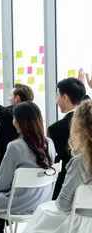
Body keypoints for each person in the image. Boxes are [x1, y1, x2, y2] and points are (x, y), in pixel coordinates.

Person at [0, 101, 57, 233]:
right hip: (40, 202)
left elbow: (2, 185)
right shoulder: (49, 143)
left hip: (16, 204)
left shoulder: (15, 146)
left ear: (17, 121)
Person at [24, 100, 92, 233]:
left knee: (40, 216)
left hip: (81, 224)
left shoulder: (81, 162)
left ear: (79, 128)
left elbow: (63, 205)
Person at [48, 71, 88, 200]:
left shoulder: (56, 129)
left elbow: (53, 162)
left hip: (66, 189)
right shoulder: (89, 120)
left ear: (65, 97)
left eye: (57, 95)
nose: (56, 100)